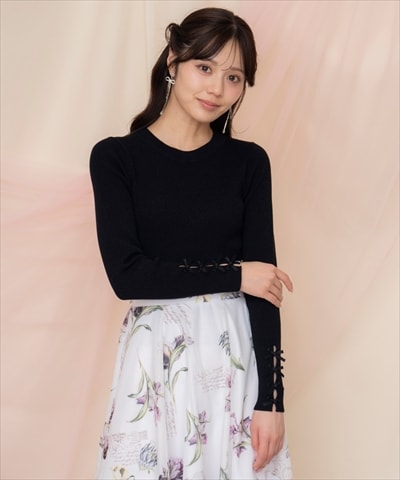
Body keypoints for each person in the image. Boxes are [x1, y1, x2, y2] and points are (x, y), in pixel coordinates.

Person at [90, 7, 293, 480]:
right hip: (156, 358)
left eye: (233, 77)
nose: (217, 88)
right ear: (173, 61)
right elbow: (128, 276)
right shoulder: (116, 158)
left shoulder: (248, 163)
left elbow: (265, 291)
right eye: (205, 67)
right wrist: (237, 274)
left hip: (233, 357)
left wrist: (272, 401)